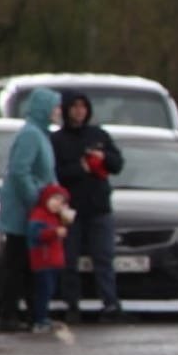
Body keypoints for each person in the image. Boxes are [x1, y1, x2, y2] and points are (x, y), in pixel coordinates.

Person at [50, 90, 127, 322]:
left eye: (83, 107)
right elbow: (55, 173)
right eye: (74, 107)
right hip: (70, 209)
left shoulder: (99, 135)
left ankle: (110, 304)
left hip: (99, 208)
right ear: (65, 110)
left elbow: (118, 164)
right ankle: (72, 305)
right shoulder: (57, 140)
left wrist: (102, 158)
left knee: (103, 258)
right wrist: (80, 167)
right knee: (69, 259)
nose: (79, 111)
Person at [0, 87, 61, 332]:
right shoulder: (30, 135)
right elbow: (20, 171)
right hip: (24, 213)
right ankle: (9, 315)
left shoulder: (41, 134)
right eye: (55, 107)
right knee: (17, 263)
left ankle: (33, 313)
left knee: (31, 264)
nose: (58, 112)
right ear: (44, 108)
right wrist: (39, 200)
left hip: (35, 212)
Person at [26, 183, 73, 334]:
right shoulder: (39, 215)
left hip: (53, 261)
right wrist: (54, 233)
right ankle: (39, 319)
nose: (57, 203)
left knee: (48, 290)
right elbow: (36, 235)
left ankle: (43, 316)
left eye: (61, 201)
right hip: (42, 260)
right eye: (54, 199)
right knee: (43, 291)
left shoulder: (55, 218)